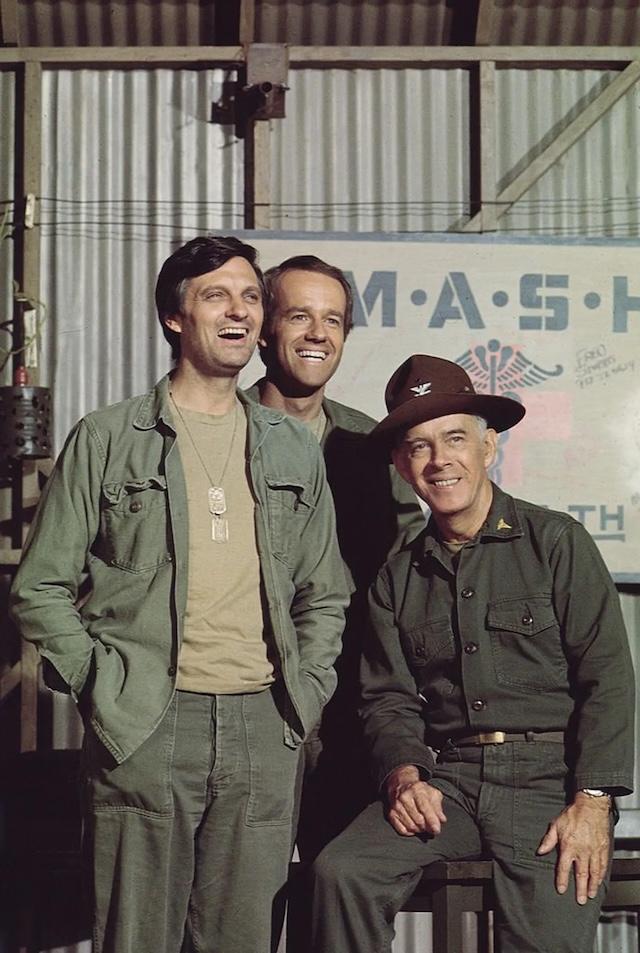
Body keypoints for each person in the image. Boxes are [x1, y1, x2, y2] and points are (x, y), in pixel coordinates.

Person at [9, 235, 349, 953]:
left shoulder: (290, 448)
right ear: (175, 317)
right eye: (217, 296)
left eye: (252, 297)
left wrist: (305, 694)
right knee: (136, 938)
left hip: (264, 724)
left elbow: (324, 592)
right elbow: (40, 587)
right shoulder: (108, 438)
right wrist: (104, 685)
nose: (241, 312)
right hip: (147, 723)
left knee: (242, 940)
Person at [310, 353, 635, 953]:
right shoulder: (396, 578)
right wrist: (405, 777)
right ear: (401, 465)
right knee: (342, 872)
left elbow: (608, 679)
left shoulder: (556, 542)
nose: (439, 461)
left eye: (454, 438)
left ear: (489, 446)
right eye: (418, 446)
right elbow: (388, 698)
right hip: (450, 782)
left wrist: (593, 803)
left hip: (549, 785)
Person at [245, 254, 423, 858]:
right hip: (243, 705)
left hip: (348, 714)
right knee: (235, 906)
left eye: (335, 320)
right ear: (266, 328)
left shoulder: (373, 449)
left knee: (339, 897)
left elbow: (410, 576)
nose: (319, 334)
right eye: (299, 316)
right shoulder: (218, 430)